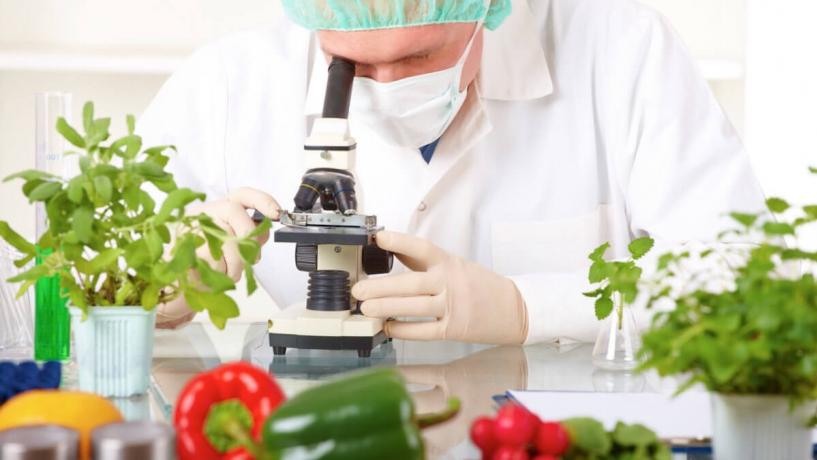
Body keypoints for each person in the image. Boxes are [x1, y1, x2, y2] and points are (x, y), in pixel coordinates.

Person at [137, 0, 765, 344]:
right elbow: (99, 273)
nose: (384, 85)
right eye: (346, 62)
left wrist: (530, 308)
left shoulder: (625, 54)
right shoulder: (227, 83)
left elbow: (743, 277)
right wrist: (165, 289)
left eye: (418, 56)